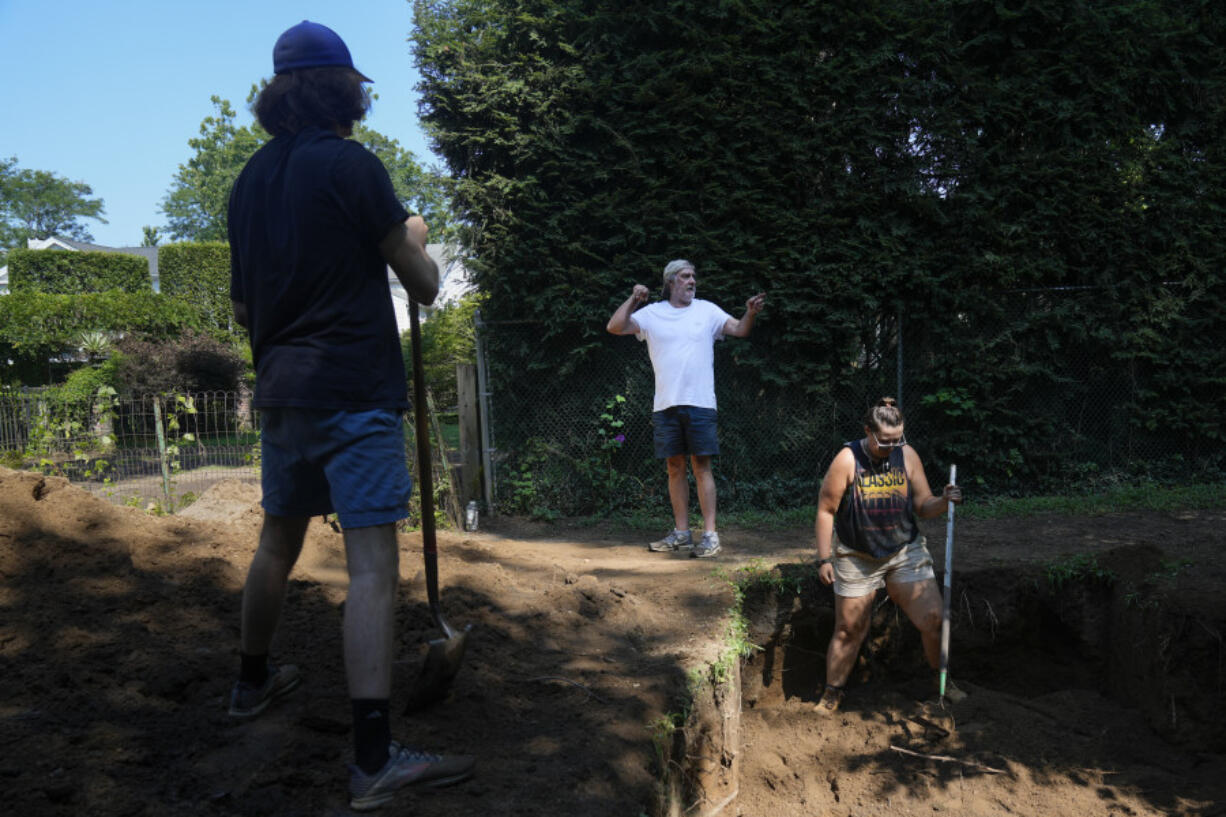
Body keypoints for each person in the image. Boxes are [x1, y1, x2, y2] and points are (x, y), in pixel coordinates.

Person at [226, 20, 474, 811]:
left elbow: (241, 303)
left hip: (282, 391)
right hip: (355, 392)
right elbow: (426, 284)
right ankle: (373, 761)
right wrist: (413, 235)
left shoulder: (249, 183)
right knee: (371, 565)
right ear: (346, 90)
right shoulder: (354, 165)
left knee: (277, 541)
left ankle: (250, 683)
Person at [813, 397, 964, 714]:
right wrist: (824, 558)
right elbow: (826, 510)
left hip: (903, 552)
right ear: (868, 431)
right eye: (884, 441)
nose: (891, 447)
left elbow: (923, 505)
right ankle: (832, 693)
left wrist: (944, 500)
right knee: (848, 629)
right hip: (857, 556)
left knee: (935, 619)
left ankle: (944, 685)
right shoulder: (847, 459)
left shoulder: (906, 456)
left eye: (897, 440)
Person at [606, 260, 765, 558]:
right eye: (685, 276)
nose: (692, 281)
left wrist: (751, 313)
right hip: (665, 403)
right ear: (670, 282)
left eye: (693, 276)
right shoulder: (652, 314)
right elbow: (614, 327)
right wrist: (633, 299)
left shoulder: (707, 310)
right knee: (674, 467)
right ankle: (681, 533)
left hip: (701, 402)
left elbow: (740, 330)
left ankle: (710, 535)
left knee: (701, 467)